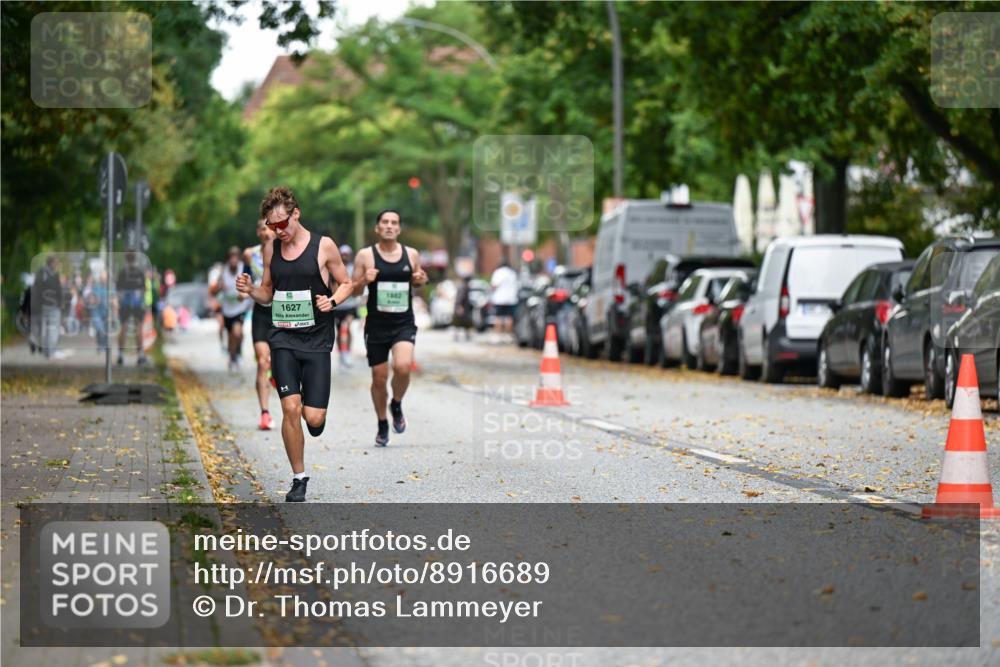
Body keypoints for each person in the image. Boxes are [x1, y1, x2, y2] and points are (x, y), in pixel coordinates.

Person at [235, 186, 354, 502]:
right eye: (272, 226)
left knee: (312, 418)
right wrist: (250, 290)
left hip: (316, 339)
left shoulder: (323, 246)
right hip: (282, 337)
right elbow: (268, 294)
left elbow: (347, 283)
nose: (278, 231)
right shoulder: (271, 248)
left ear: (296, 214)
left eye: (282, 224)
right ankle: (299, 478)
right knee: (290, 407)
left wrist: (332, 300)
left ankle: (315, 418)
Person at [351, 209, 428, 447]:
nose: (389, 226)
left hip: (403, 322)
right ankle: (382, 422)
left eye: (394, 222)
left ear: (399, 228)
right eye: (385, 222)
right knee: (378, 378)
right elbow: (353, 289)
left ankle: (396, 403)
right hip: (376, 324)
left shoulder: (411, 254)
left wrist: (421, 281)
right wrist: (365, 280)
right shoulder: (365, 256)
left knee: (403, 367)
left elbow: (419, 281)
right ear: (377, 228)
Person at [244, 219, 277, 430]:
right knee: (262, 362)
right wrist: (243, 289)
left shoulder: (286, 250)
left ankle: (276, 375)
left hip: (281, 311)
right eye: (263, 229)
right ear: (258, 232)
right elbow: (246, 276)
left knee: (280, 362)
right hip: (261, 312)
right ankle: (265, 413)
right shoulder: (250, 253)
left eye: (270, 228)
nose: (267, 232)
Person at [211, 246, 252, 372]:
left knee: (237, 332)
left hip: (241, 306)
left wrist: (247, 295)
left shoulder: (243, 268)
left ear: (239, 258)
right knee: (231, 335)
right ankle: (233, 355)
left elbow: (251, 284)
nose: (233, 259)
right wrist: (219, 287)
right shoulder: (223, 271)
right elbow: (214, 291)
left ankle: (236, 353)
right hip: (227, 308)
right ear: (228, 259)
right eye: (231, 257)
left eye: (236, 256)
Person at [332, 244, 360, 370]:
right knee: (339, 331)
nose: (344, 257)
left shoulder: (353, 269)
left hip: (351, 304)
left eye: (346, 254)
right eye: (342, 254)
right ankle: (342, 353)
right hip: (338, 306)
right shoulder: (334, 268)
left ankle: (347, 351)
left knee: (347, 327)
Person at [117, 251, 148, 365]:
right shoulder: (139, 272)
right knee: (139, 328)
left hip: (125, 303)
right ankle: (140, 356)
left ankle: (120, 355)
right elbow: (144, 289)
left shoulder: (122, 272)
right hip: (137, 303)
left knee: (123, 328)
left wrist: (120, 303)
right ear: (135, 259)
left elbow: (119, 291)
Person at [32, 255, 63, 358]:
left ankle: (46, 352)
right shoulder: (54, 274)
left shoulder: (40, 273)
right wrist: (60, 303)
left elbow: (35, 289)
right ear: (53, 263)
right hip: (52, 306)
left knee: (44, 329)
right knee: (52, 329)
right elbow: (58, 290)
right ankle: (50, 351)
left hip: (42, 306)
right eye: (56, 263)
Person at [490, 259, 519, 339]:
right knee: (509, 317)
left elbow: (494, 285)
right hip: (510, 299)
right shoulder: (512, 273)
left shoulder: (498, 272)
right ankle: (508, 335)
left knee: (498, 317)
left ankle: (498, 336)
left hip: (500, 299)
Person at [452, 275, 475, 341]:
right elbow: (460, 298)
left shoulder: (463, 286)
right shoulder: (464, 287)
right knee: (462, 322)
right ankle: (461, 335)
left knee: (461, 323)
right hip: (463, 308)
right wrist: (460, 306)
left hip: (463, 307)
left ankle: (464, 335)